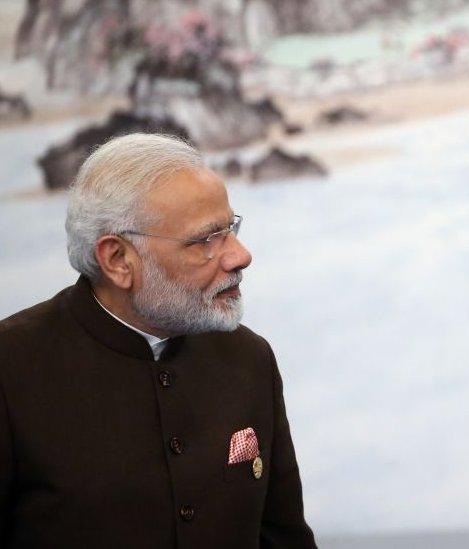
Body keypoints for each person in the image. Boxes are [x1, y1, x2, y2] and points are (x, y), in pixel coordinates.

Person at [0, 133, 317, 547]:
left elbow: (284, 537)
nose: (240, 256)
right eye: (205, 240)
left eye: (230, 229)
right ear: (117, 260)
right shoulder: (11, 368)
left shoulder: (248, 357)